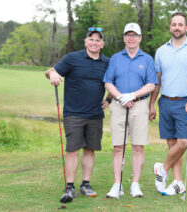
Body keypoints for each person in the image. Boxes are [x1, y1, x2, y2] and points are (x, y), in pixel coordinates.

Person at [45, 27, 111, 203]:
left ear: (102, 44)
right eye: (91, 39)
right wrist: (52, 74)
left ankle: (86, 184)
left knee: (90, 149)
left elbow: (115, 81)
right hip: (74, 114)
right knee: (73, 149)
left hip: (95, 114)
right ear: (85, 41)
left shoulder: (107, 62)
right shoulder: (72, 58)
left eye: (98, 40)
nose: (94, 42)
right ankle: (70, 187)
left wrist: (110, 99)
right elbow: (51, 70)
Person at [149, 12, 187, 196]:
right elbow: (157, 82)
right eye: (174, 24)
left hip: (185, 103)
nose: (177, 27)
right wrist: (151, 105)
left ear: (186, 28)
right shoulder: (160, 51)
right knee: (172, 144)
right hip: (165, 102)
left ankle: (162, 169)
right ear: (170, 27)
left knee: (183, 142)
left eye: (181, 24)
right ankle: (178, 182)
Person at [103, 23, 158, 198]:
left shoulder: (147, 59)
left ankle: (135, 184)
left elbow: (151, 84)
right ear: (124, 38)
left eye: (135, 35)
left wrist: (132, 95)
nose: (131, 38)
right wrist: (120, 97)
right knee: (118, 147)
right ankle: (117, 184)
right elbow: (108, 83)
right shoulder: (115, 58)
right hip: (119, 106)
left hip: (139, 105)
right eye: (128, 35)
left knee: (137, 146)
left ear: (140, 38)